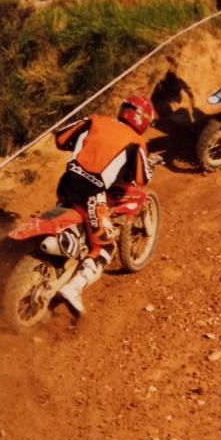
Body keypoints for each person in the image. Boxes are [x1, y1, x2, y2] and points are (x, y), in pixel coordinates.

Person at [53, 96, 155, 314]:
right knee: (106, 246)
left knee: (66, 213)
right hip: (93, 194)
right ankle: (73, 288)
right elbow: (142, 178)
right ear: (144, 120)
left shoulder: (94, 120)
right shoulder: (137, 141)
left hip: (66, 183)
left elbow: (60, 138)